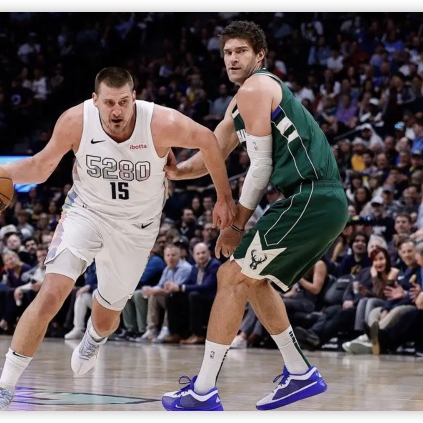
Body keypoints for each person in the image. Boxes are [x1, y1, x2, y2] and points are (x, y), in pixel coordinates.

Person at [0, 67, 235, 411]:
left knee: (105, 317)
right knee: (51, 293)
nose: (117, 110)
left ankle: (94, 337)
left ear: (134, 97)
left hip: (136, 227)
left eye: (124, 102)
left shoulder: (160, 122)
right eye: (110, 103)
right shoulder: (76, 121)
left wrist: (223, 197)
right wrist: (0, 172)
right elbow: (41, 167)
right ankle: (3, 389)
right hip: (86, 212)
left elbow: (208, 139)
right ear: (95, 100)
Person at [161, 21, 347, 411]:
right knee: (253, 281)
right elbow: (213, 151)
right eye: (227, 52)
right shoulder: (239, 102)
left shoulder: (257, 87)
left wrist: (235, 224)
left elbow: (261, 167)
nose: (232, 58)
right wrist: (176, 172)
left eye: (241, 51)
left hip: (312, 195)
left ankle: (203, 390)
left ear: (259, 55)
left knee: (231, 275)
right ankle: (299, 372)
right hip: (308, 199)